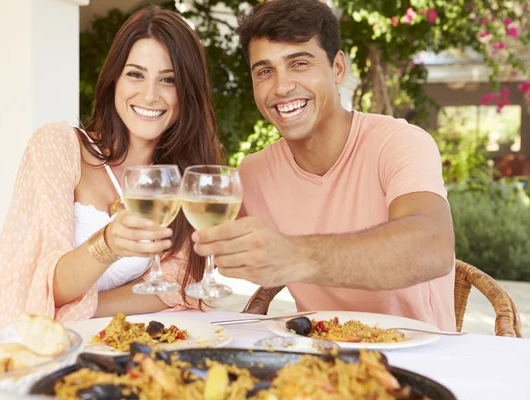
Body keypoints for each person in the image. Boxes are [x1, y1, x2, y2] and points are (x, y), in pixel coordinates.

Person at [192, 0, 456, 330]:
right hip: (317, 360)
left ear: (338, 68)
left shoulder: (399, 143)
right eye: (264, 71)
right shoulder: (253, 174)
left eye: (299, 63)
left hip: (420, 359)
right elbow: (195, 255)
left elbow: (433, 246)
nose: (281, 87)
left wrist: (295, 256)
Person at [0, 6, 221, 328]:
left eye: (169, 80)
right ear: (114, 79)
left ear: (187, 92)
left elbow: (173, 285)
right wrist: (107, 243)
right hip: (31, 346)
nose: (150, 95)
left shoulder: (183, 175)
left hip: (107, 342)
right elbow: (46, 284)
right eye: (135, 74)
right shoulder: (58, 146)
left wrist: (80, 310)